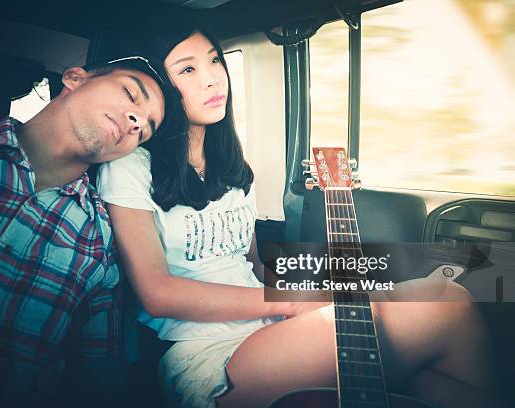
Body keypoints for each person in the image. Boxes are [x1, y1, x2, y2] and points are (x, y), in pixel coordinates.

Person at [98, 10, 503, 408]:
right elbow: (156, 293)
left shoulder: (235, 170)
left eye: (215, 60)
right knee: (425, 311)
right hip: (209, 352)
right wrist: (288, 302)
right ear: (159, 85)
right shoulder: (130, 167)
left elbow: (254, 265)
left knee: (448, 311)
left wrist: (323, 287)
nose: (212, 78)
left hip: (272, 329)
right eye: (187, 70)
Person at [0, 43, 169, 403]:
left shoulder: (246, 181)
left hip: (260, 320)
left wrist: (274, 297)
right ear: (75, 78)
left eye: (147, 129)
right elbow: (157, 292)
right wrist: (272, 299)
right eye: (130, 94)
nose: (138, 122)